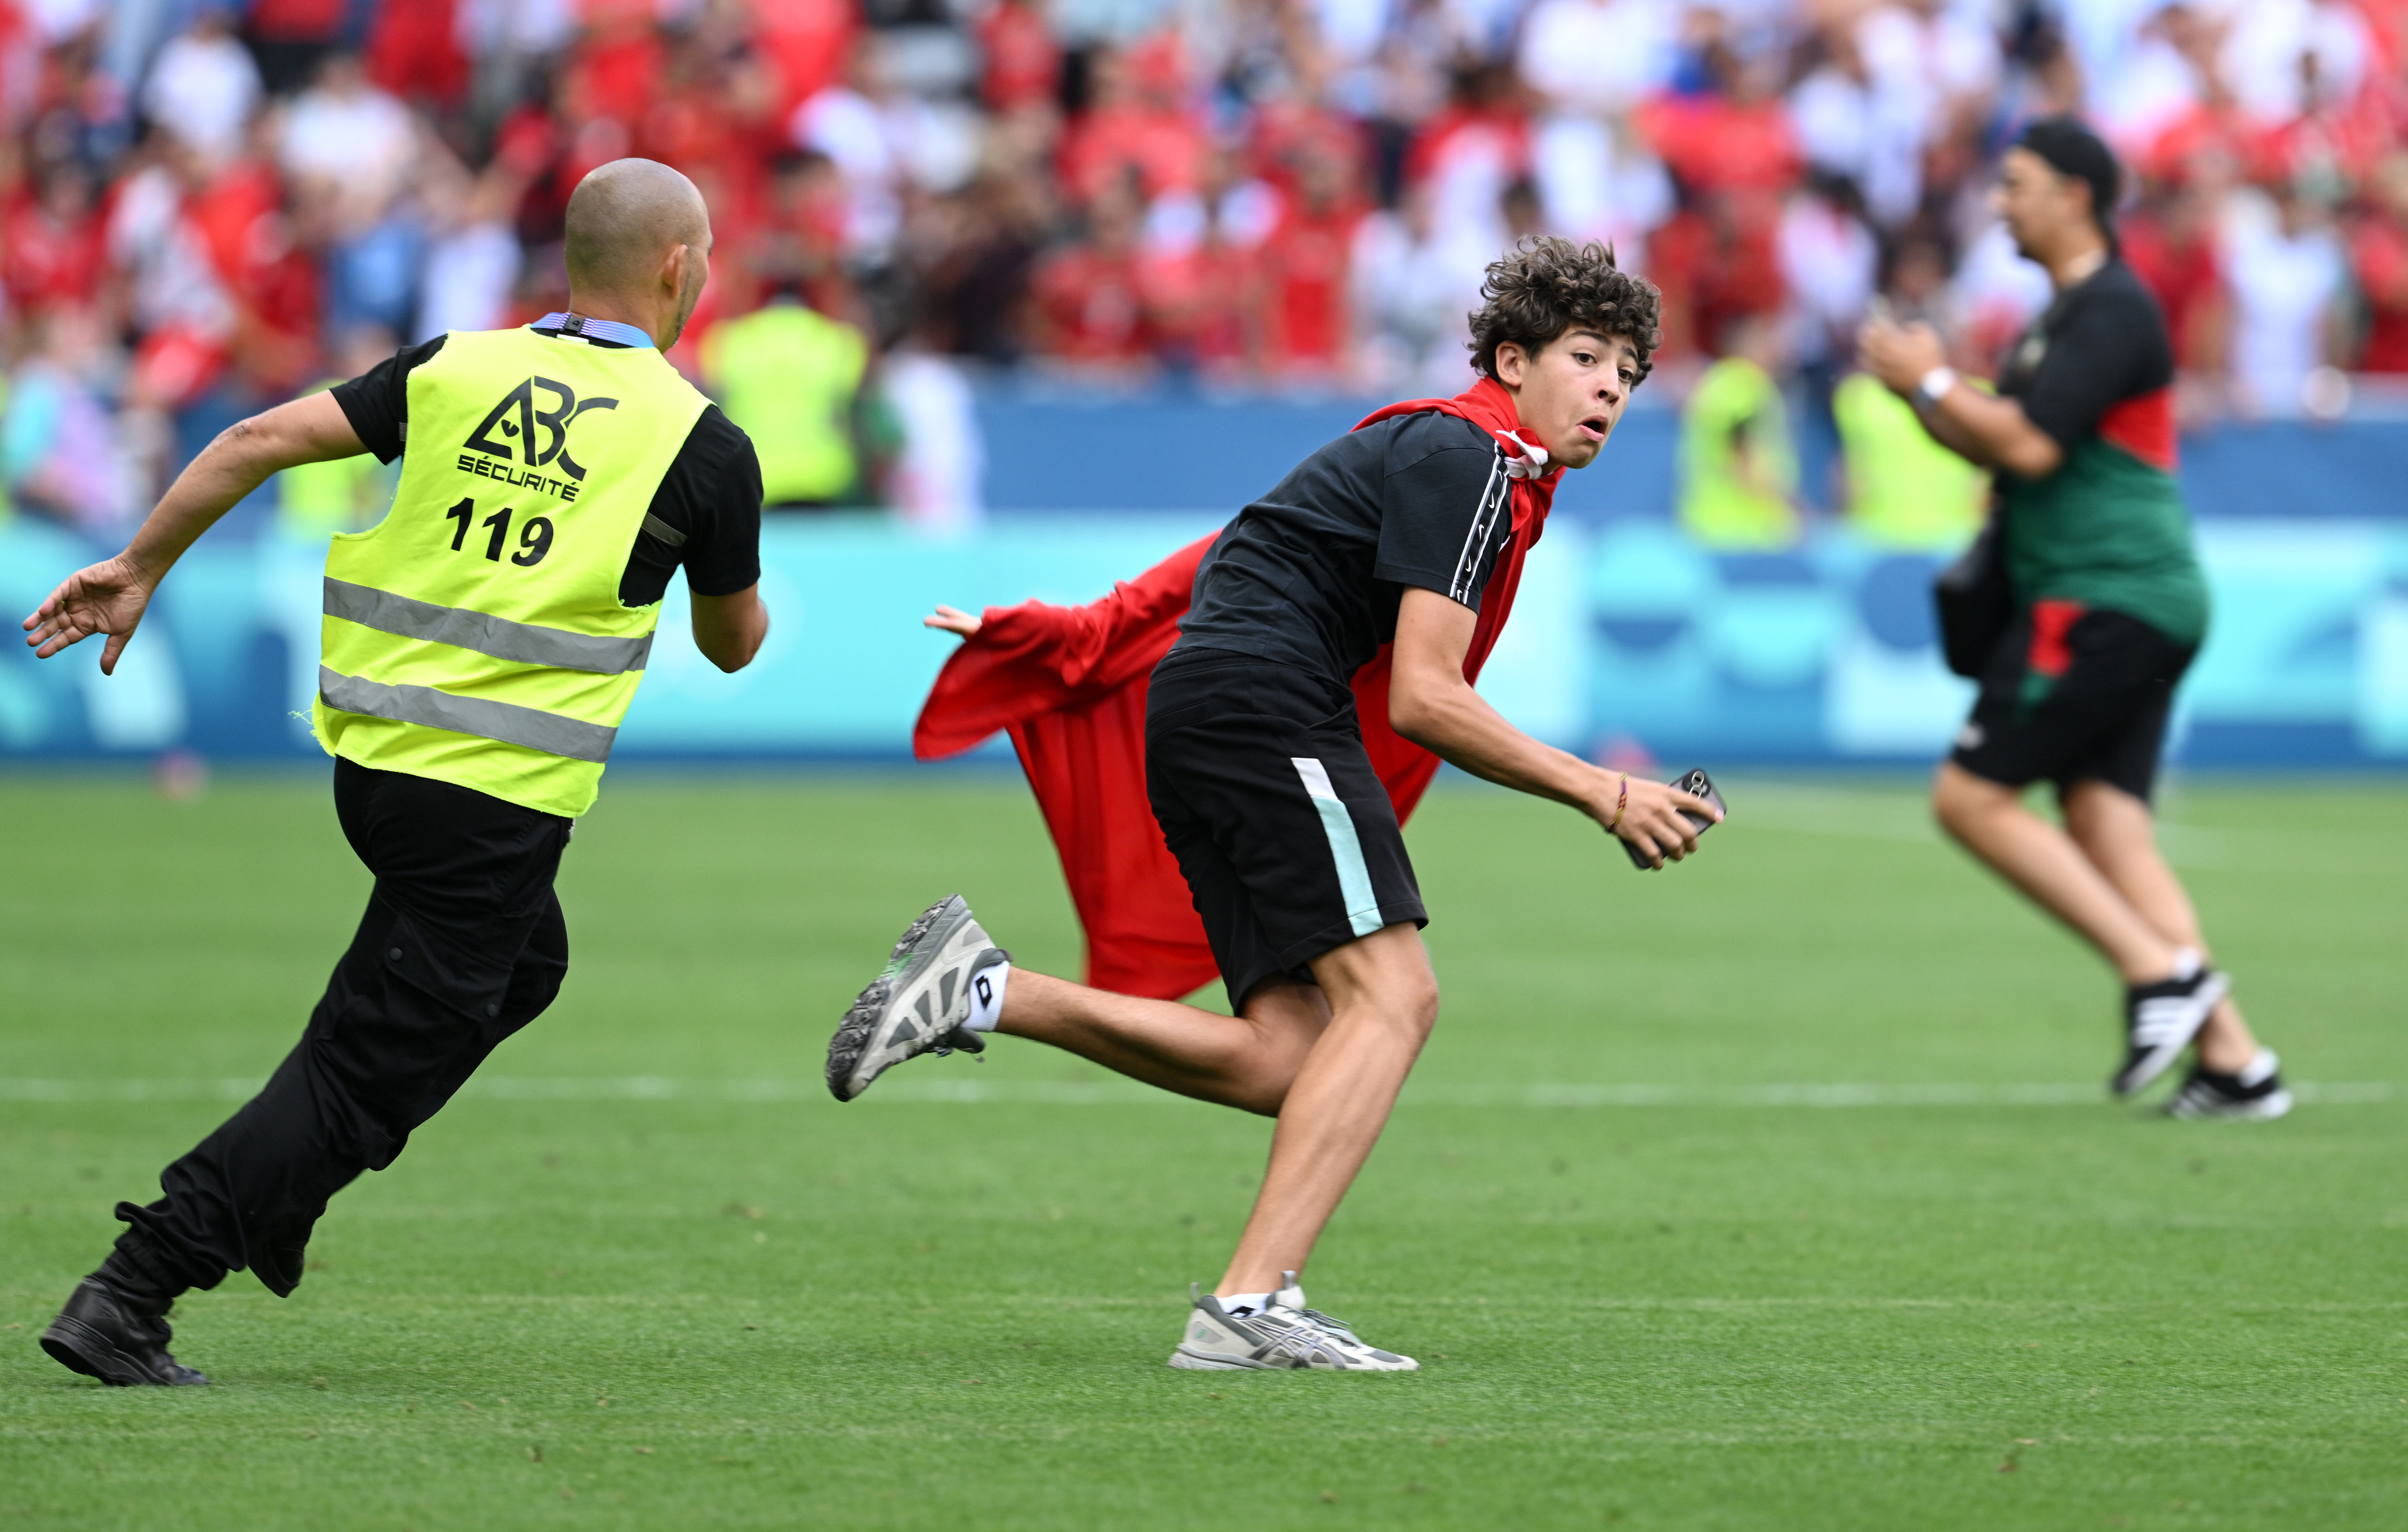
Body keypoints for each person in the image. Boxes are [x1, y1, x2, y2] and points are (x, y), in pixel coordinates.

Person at [827, 239, 1718, 1371]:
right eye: (1586, 357)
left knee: (1293, 1060)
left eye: (1630, 374)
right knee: (1396, 1000)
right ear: (1511, 359)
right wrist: (1603, 790)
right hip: (1264, 713)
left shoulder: (1439, 449)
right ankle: (1249, 1308)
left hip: (1214, 715)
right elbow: (1426, 698)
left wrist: (1083, 631)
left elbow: (1236, 544)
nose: (1610, 389)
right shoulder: (1471, 457)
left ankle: (983, 989)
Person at [20, 159, 770, 1386]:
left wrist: (140, 562)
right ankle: (141, 1284)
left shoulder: (454, 367)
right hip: (496, 797)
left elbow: (262, 435)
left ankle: (291, 1186)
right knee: (358, 1068)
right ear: (681, 268)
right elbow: (729, 646)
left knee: (528, 964)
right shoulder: (701, 443)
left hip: (378, 767)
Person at [1857, 117, 2288, 1120]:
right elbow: (1998, 444)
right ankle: (2236, 1064)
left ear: (2077, 196)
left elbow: (2035, 450)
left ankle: (2160, 977)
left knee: (1971, 800)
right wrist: (1926, 392)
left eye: (2017, 185)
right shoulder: (2065, 315)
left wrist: (1929, 377)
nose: (2000, 203)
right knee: (2106, 822)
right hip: (2140, 594)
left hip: (2104, 594)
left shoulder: (2112, 307)